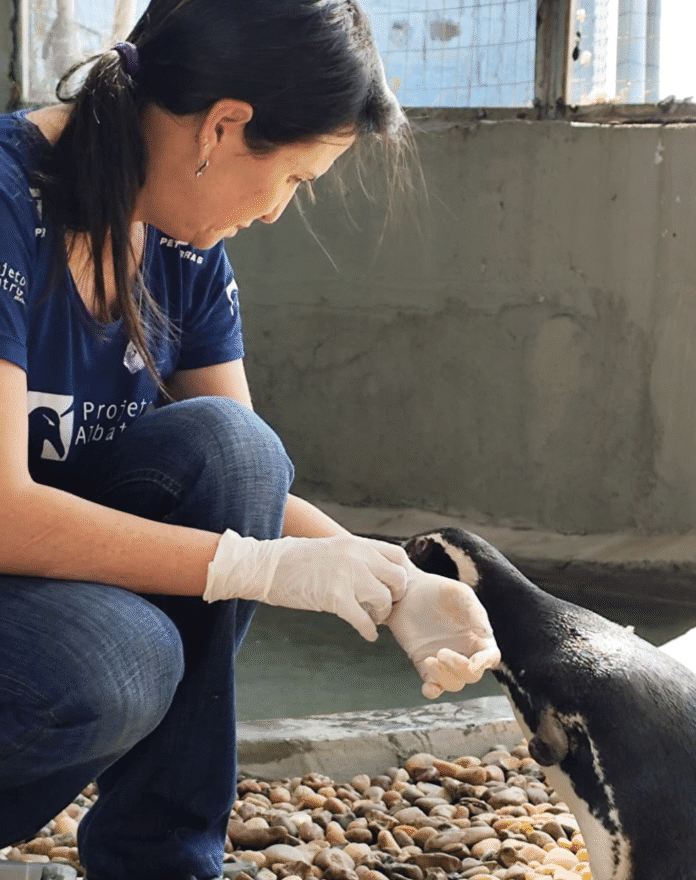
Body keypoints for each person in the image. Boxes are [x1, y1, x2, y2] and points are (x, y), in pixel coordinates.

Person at [0, 1, 499, 877]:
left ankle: (164, 861)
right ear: (225, 126)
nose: (278, 212)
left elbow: (245, 478)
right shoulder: (7, 203)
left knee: (233, 445)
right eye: (298, 178)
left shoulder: (180, 247)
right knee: (122, 658)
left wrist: (395, 585)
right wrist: (260, 569)